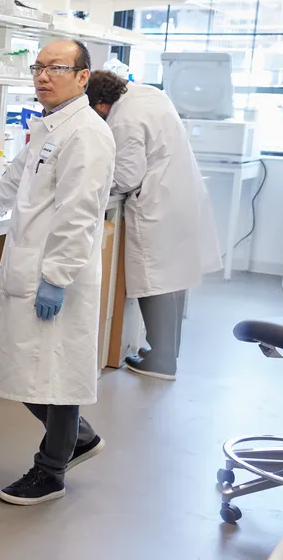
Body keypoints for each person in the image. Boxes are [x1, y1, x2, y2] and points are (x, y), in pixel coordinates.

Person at [0, 40, 116, 506]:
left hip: (57, 271)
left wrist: (57, 276)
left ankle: (51, 470)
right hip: (31, 265)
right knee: (26, 368)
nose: (42, 75)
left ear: (82, 77)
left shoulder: (87, 134)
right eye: (38, 66)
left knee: (53, 374)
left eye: (56, 67)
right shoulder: (49, 126)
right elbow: (16, 178)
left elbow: (79, 213)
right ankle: (77, 438)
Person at [86, 70, 221, 381]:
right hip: (182, 192)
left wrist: (91, 185)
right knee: (173, 281)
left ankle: (161, 360)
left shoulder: (123, 120)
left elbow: (127, 176)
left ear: (101, 105)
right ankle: (166, 351)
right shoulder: (146, 93)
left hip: (158, 201)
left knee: (154, 280)